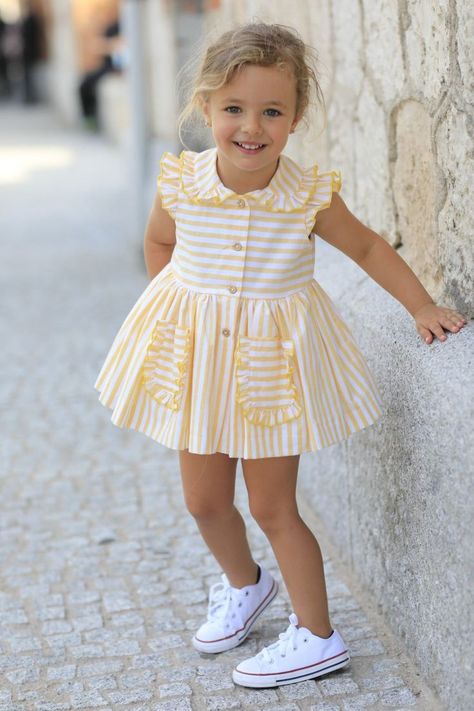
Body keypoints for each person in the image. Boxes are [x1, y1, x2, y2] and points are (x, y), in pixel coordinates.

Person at [94, 22, 468, 688]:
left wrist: (420, 306)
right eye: (234, 108)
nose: (251, 126)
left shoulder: (306, 195)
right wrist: (175, 313)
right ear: (206, 107)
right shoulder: (182, 184)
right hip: (203, 367)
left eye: (272, 110)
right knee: (203, 499)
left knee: (273, 506)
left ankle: (317, 634)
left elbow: (370, 250)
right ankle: (245, 583)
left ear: (295, 119)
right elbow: (160, 246)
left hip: (272, 373)